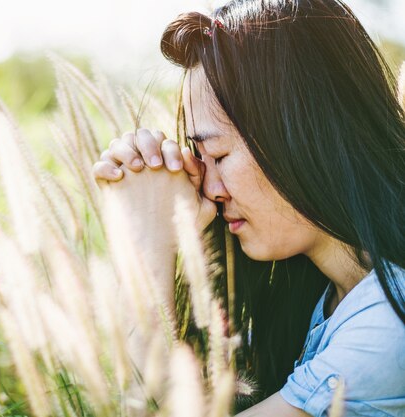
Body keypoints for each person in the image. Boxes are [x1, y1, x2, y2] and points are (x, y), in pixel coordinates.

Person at [92, 0, 405, 416]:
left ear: (306, 135)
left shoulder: (388, 325)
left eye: (218, 156)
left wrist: (147, 244)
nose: (210, 186)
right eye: (198, 157)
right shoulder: (321, 295)